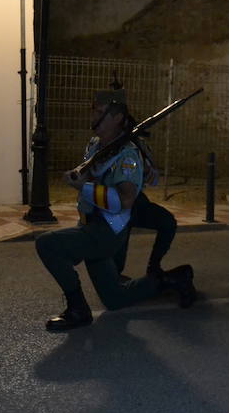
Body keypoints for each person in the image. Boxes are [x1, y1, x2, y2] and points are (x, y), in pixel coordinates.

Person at [35, 89, 196, 331]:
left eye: (100, 113)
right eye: (94, 111)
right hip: (90, 223)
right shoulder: (97, 145)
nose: (93, 118)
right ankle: (173, 279)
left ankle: (77, 309)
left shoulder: (127, 155)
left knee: (47, 244)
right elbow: (90, 170)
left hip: (107, 230)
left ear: (118, 118)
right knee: (115, 299)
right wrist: (80, 174)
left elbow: (125, 200)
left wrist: (83, 187)